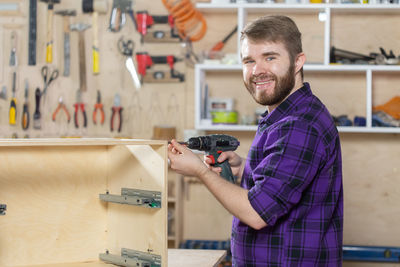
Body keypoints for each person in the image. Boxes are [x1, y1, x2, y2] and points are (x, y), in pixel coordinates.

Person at [168, 15, 343, 266]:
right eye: (249, 60)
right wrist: (244, 170)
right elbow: (284, 182)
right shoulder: (283, 115)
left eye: (270, 57)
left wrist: (199, 171)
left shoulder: (299, 125)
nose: (258, 70)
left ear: (297, 62)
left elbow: (257, 213)